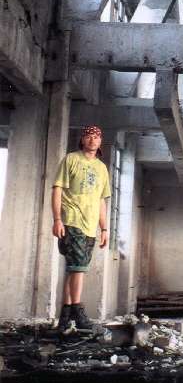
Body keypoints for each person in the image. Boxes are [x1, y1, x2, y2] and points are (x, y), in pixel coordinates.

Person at [52, 125, 111, 331]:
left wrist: (104, 229)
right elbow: (57, 189)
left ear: (100, 141)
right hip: (72, 219)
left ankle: (65, 317)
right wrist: (57, 219)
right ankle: (78, 312)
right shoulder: (71, 159)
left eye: (96, 137)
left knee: (74, 269)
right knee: (78, 268)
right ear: (82, 139)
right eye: (89, 136)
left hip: (90, 225)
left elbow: (102, 200)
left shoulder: (102, 168)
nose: (92, 140)